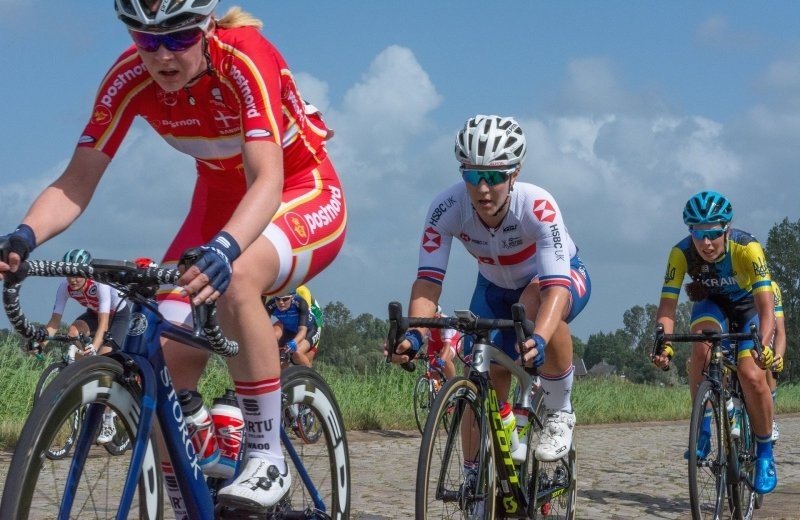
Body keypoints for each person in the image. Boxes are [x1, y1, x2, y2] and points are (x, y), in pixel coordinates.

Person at [0, 0, 346, 512]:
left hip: (299, 190)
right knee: (160, 351)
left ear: (206, 27)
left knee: (238, 277)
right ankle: (191, 481)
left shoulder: (245, 56)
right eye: (144, 39)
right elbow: (77, 181)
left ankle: (266, 454)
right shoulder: (127, 78)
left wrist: (226, 249)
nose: (161, 54)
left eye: (178, 37)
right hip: (217, 201)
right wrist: (23, 237)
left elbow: (268, 180)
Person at [388, 115, 591, 468]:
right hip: (494, 286)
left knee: (537, 304)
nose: (482, 188)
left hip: (557, 280)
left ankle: (560, 410)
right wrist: (417, 332)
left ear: (514, 173)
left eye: (494, 177)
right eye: (472, 175)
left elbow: (556, 286)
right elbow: (428, 281)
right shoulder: (446, 208)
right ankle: (475, 480)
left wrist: (539, 339)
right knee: (480, 375)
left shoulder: (537, 206)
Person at [651, 190, 777, 494]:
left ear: (727, 230)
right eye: (698, 234)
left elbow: (766, 306)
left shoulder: (748, 248)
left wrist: (766, 341)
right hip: (712, 306)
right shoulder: (680, 253)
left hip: (749, 308)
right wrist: (662, 342)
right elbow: (667, 306)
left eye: (713, 234)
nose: (706, 243)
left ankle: (764, 454)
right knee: (701, 347)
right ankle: (703, 428)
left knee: (750, 374)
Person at [45, 248, 132, 443]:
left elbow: (103, 325)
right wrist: (40, 340)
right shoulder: (64, 287)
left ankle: (108, 419)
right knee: (73, 332)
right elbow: (54, 322)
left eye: (77, 274)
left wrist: (94, 346)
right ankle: (80, 373)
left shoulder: (99, 283)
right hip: (93, 313)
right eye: (69, 274)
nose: (72, 279)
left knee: (104, 360)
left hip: (117, 316)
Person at [264, 291, 319, 368]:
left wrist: (294, 342)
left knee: (297, 353)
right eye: (278, 299)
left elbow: (302, 330)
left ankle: (310, 377)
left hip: (309, 330)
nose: (281, 302)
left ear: (292, 298)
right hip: (289, 330)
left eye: (285, 299)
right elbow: (263, 328)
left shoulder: (300, 303)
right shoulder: (271, 305)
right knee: (280, 357)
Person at [767, 280, 786, 443]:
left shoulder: (772, 287)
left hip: (763, 326)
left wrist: (778, 355)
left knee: (767, 358)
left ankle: (770, 418)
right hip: (736, 323)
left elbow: (779, 330)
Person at [425, 306, 460, 381]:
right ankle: (437, 391)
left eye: (434, 319)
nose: (431, 323)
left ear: (439, 316)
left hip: (452, 341)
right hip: (434, 343)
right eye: (429, 320)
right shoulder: (424, 322)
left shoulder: (446, 323)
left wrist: (441, 361)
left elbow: (447, 346)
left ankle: (452, 384)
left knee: (445, 359)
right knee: (433, 374)